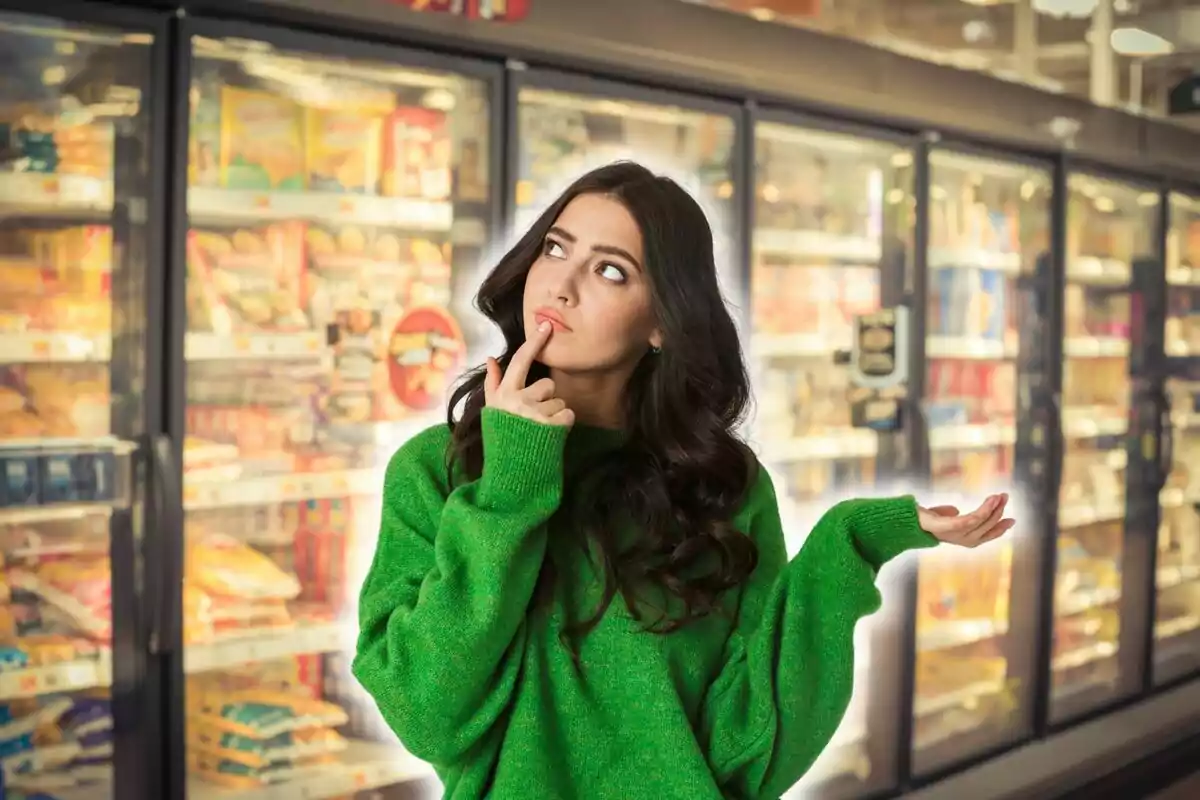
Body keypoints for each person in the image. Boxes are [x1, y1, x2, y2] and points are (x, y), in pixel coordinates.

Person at [353, 161, 1014, 800]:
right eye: (556, 249)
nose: (560, 285)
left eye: (610, 270)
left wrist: (850, 546)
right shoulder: (437, 471)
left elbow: (750, 751)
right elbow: (425, 711)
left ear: (664, 322)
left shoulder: (719, 486)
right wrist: (510, 486)